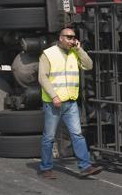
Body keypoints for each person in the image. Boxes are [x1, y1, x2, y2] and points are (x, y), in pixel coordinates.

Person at [37, 27, 103, 178]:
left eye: (73, 37)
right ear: (60, 38)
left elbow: (89, 65)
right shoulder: (48, 54)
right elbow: (42, 78)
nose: (72, 40)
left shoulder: (74, 53)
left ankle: (85, 166)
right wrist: (54, 96)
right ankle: (45, 168)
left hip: (70, 102)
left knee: (77, 135)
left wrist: (80, 50)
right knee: (49, 137)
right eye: (68, 37)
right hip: (53, 103)